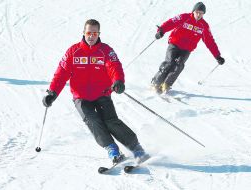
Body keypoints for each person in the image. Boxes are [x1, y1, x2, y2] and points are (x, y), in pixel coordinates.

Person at [42, 19, 149, 164]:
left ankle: (136, 148)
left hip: (102, 93)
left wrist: (118, 81)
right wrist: (52, 93)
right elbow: (61, 73)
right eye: (88, 33)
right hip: (81, 97)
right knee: (92, 120)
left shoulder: (105, 50)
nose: (91, 36)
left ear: (98, 34)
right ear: (83, 33)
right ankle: (112, 149)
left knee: (111, 121)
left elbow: (114, 66)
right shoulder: (73, 52)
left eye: (94, 33)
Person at [151, 2, 225, 94]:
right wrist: (161, 30)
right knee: (169, 63)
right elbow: (171, 22)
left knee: (179, 65)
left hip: (186, 50)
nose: (199, 15)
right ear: (193, 11)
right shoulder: (184, 17)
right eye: (197, 12)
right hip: (174, 44)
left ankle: (166, 85)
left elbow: (209, 41)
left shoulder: (204, 26)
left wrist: (217, 56)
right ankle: (156, 82)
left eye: (201, 13)